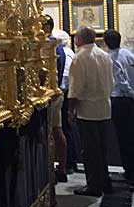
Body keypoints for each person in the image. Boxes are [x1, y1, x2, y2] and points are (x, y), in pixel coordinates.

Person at [68, 26, 114, 197]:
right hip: (104, 107)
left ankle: (94, 185)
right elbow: (112, 82)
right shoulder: (104, 55)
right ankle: (105, 181)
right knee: (102, 148)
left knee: (90, 150)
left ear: (79, 39)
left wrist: (70, 110)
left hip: (87, 109)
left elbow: (76, 88)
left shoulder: (80, 57)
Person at [103, 29, 134, 182]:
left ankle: (130, 172)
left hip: (121, 100)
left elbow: (121, 80)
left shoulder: (111, 58)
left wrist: (130, 93)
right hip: (129, 99)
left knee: (124, 137)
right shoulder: (128, 54)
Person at [42, 16, 68, 182]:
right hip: (55, 92)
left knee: (53, 132)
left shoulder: (50, 46)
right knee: (57, 130)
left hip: (51, 95)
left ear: (46, 27)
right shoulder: (56, 46)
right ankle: (60, 168)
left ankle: (54, 169)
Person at [53, 29, 80, 172]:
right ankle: (70, 161)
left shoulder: (63, 53)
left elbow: (65, 76)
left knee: (65, 128)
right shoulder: (69, 53)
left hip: (64, 92)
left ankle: (69, 162)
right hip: (66, 92)